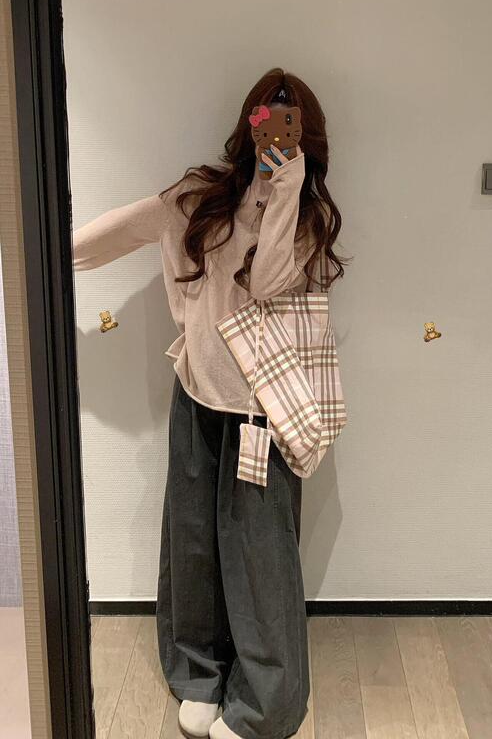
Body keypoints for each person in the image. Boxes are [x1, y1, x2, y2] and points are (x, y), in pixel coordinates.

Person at [72, 67, 346, 739]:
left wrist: (284, 186)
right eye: (266, 119)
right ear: (248, 123)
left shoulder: (306, 215)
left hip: (264, 412)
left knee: (260, 558)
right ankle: (199, 675)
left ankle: (264, 706)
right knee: (193, 543)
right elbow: (116, 232)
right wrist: (34, 252)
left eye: (290, 125)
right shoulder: (196, 198)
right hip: (197, 394)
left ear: (306, 138)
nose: (276, 134)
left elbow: (270, 281)